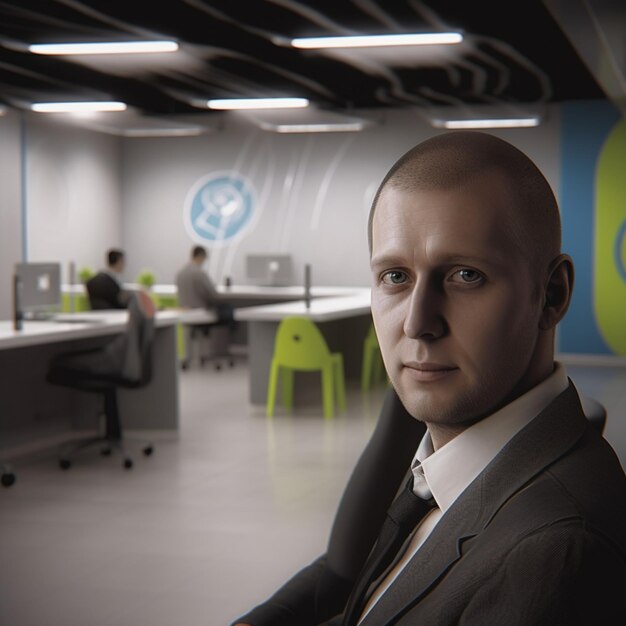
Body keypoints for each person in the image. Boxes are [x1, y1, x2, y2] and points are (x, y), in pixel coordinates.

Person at [233, 131, 626, 625]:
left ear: (551, 295)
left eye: (465, 276)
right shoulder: (436, 436)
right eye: (395, 276)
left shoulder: (556, 553)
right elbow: (357, 580)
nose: (418, 322)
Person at [175, 245, 234, 324]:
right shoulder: (200, 273)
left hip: (184, 310)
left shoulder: (180, 273)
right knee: (228, 309)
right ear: (201, 256)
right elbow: (213, 294)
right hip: (199, 311)